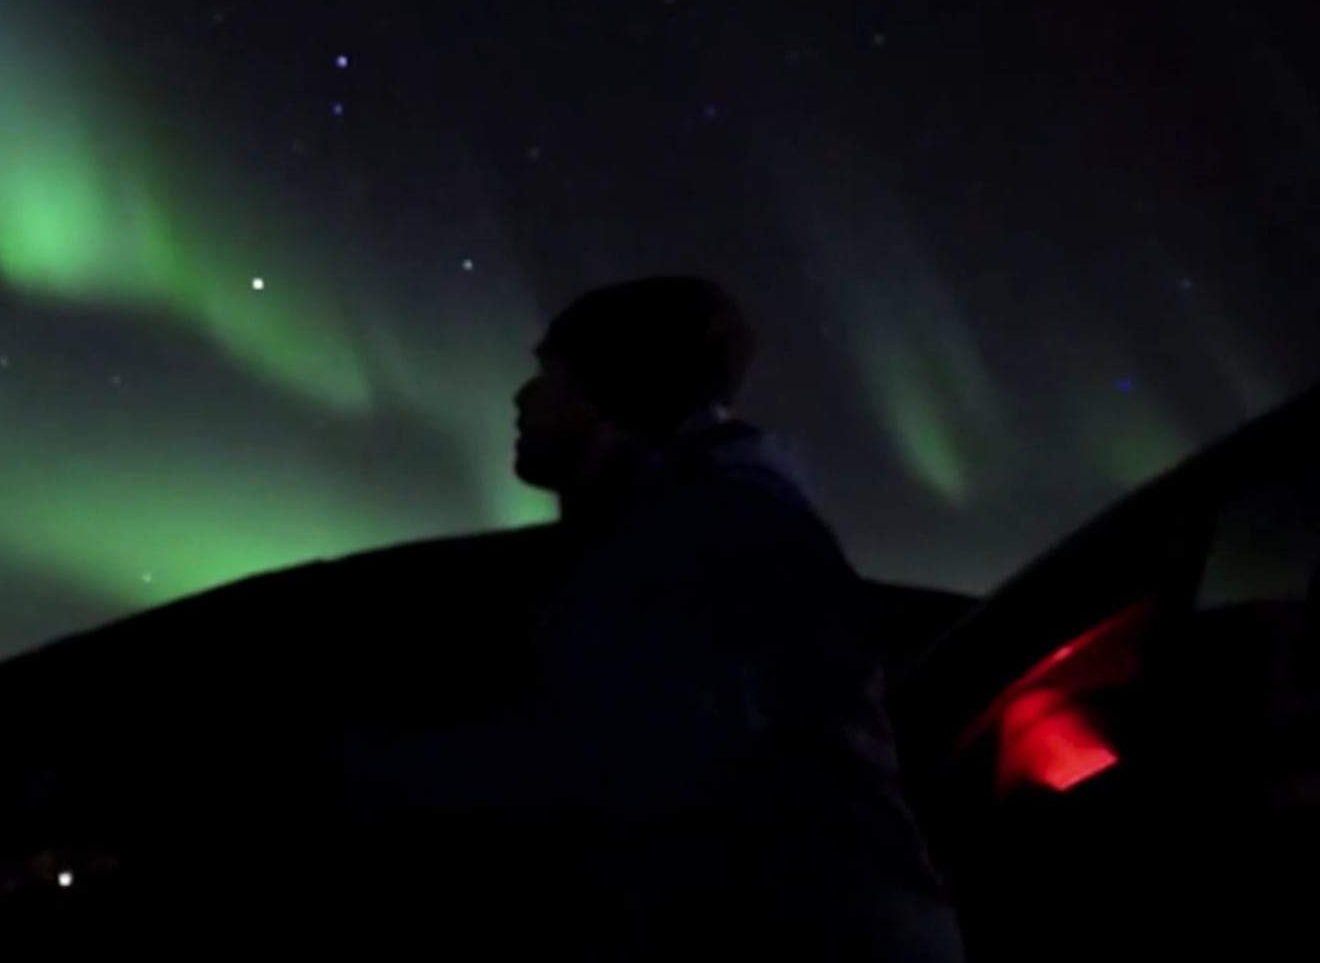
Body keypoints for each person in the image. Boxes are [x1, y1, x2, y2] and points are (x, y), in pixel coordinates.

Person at [336, 276, 966, 961]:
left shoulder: (713, 533)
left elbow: (619, 755)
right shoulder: (697, 524)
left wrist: (355, 777)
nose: (524, 396)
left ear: (613, 391)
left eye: (551, 372)